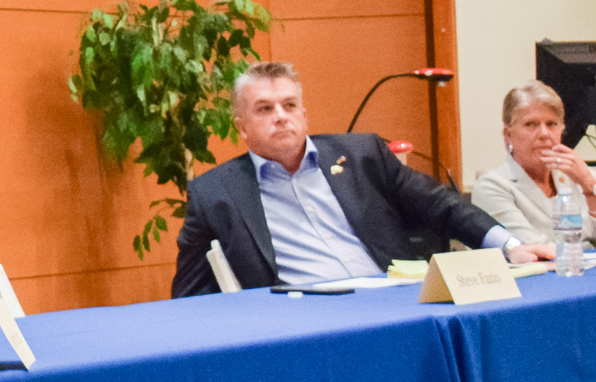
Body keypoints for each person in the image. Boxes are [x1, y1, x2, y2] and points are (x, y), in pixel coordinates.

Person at [172, 61, 555, 297]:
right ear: (241, 126)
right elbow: (190, 295)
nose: (281, 116)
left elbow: (441, 204)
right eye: (264, 108)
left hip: (390, 303)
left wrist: (509, 245)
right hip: (301, 324)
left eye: (290, 106)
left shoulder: (361, 154)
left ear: (305, 115)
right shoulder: (215, 193)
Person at [470, 81, 596, 248]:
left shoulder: (582, 177)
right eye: (530, 124)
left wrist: (590, 187)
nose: (543, 134)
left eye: (551, 124)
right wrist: (588, 248)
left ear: (561, 130)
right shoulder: (491, 187)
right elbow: (532, 251)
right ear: (508, 134)